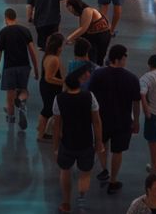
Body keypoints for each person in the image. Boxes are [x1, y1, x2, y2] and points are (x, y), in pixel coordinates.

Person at [91, 44, 143, 195]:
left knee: (102, 144)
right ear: (121, 59)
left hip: (101, 118)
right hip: (122, 120)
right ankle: (113, 180)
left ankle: (104, 169)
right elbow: (136, 102)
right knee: (118, 151)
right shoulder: (131, 78)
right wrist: (136, 121)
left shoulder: (98, 74)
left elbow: (90, 96)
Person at [53, 64, 104, 213]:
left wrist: (56, 147)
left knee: (65, 171)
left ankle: (66, 203)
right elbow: (96, 121)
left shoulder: (59, 99)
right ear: (79, 84)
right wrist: (99, 142)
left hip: (67, 142)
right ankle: (81, 200)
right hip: (86, 142)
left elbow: (57, 126)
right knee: (85, 173)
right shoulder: (89, 96)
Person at [0, 7, 39, 129]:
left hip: (9, 67)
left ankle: (11, 118)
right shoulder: (24, 30)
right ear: (15, 18)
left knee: (10, 92)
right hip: (24, 66)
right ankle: (22, 102)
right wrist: (36, 69)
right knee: (23, 90)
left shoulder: (3, 33)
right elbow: (32, 51)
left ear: (6, 18)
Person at [65, 0, 112, 66]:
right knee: (94, 58)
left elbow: (83, 28)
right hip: (96, 36)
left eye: (71, 10)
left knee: (98, 58)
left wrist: (69, 38)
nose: (72, 13)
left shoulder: (87, 10)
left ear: (74, 6)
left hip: (101, 36)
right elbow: (83, 31)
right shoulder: (83, 14)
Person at [37, 33, 67, 141]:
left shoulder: (48, 56)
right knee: (48, 111)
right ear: (58, 46)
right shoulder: (54, 59)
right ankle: (41, 135)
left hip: (46, 87)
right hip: (50, 88)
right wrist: (64, 82)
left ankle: (43, 132)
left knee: (47, 110)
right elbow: (49, 78)